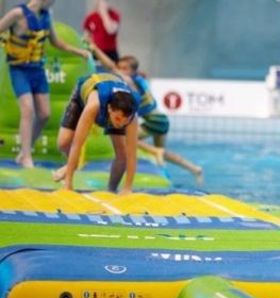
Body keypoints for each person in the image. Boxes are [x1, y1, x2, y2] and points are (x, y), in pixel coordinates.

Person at [88, 43, 204, 184]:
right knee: (161, 152)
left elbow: (112, 67)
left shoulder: (131, 81)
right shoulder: (139, 79)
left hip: (154, 120)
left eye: (125, 69)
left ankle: (156, 157)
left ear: (133, 71)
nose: (120, 71)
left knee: (126, 139)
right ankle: (194, 169)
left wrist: (95, 49)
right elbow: (114, 67)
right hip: (161, 119)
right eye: (120, 68)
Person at [0, 0, 90, 168]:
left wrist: (79, 51)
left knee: (44, 114)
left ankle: (24, 152)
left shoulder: (47, 15)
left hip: (37, 70)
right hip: (19, 69)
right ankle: (26, 156)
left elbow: (56, 42)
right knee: (27, 109)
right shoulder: (17, 14)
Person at [53, 73, 138, 194]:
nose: (121, 124)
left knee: (122, 155)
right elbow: (77, 144)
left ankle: (111, 190)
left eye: (125, 121)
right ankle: (73, 164)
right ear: (109, 109)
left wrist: (128, 188)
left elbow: (132, 154)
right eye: (118, 119)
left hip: (116, 100)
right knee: (63, 143)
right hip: (83, 96)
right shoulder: (94, 105)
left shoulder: (130, 117)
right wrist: (68, 184)